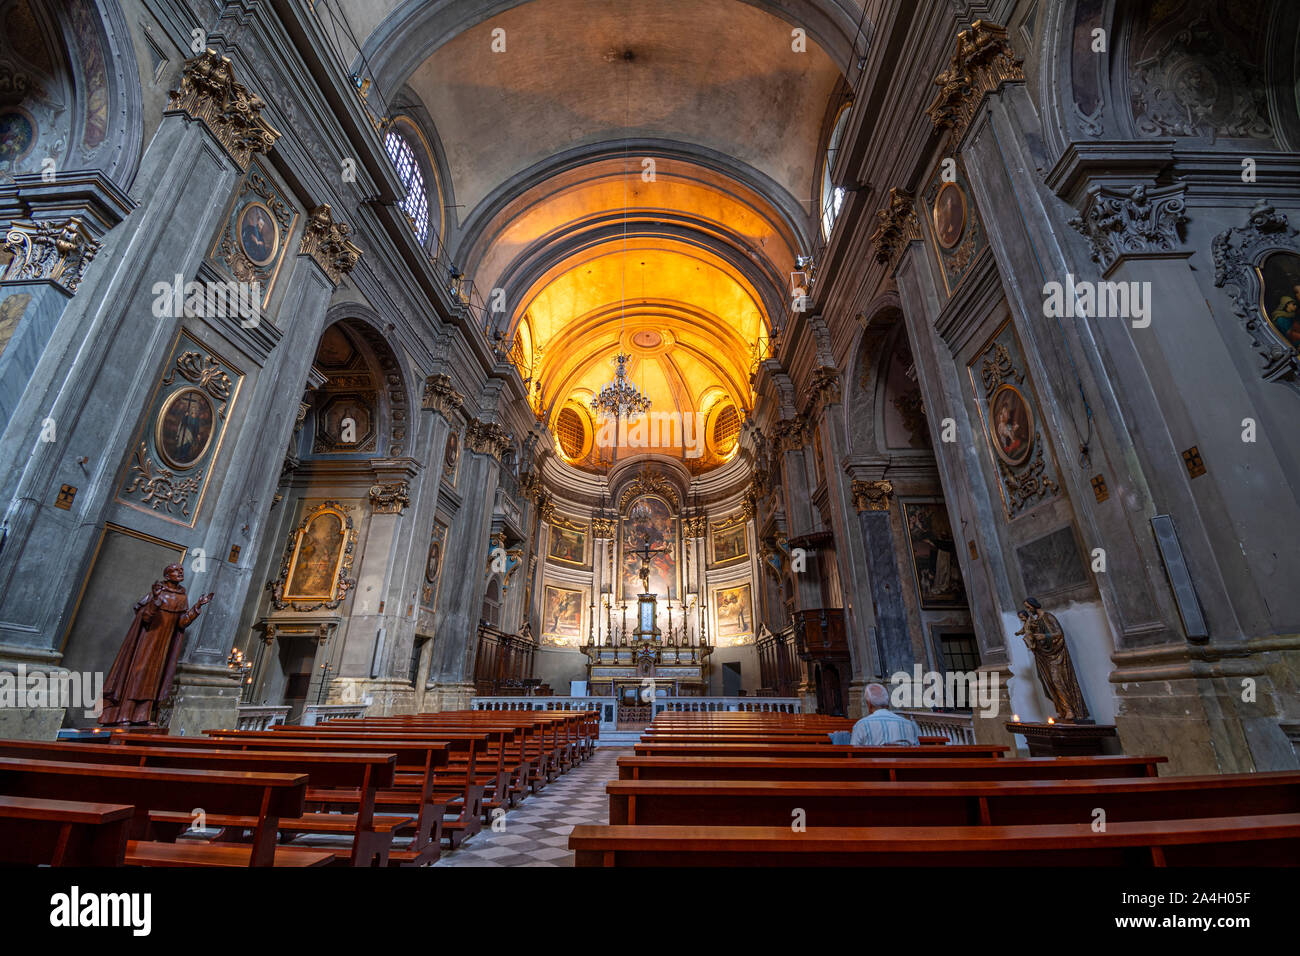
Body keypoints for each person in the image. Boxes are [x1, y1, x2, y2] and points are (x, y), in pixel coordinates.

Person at [849, 681, 919, 747]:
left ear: (869, 704)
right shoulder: (908, 724)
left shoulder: (861, 725)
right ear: (887, 703)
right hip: (904, 760)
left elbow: (853, 753)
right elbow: (917, 750)